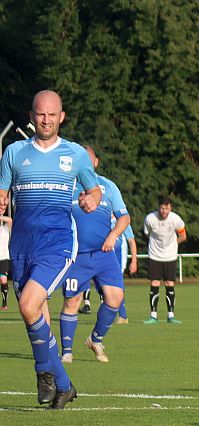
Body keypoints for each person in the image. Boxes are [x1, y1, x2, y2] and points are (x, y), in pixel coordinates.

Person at [0, 90, 104, 409]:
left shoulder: (75, 155)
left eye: (52, 114)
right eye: (40, 114)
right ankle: (64, 385)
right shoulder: (14, 153)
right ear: (31, 117)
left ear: (62, 116)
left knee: (29, 305)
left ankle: (42, 372)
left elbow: (95, 190)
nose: (46, 120)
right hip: (21, 246)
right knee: (37, 314)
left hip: (57, 244)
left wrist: (92, 200)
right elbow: (2, 193)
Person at [58, 146, 130, 363]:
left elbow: (124, 218)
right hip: (76, 256)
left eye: (89, 162)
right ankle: (67, 351)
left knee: (115, 298)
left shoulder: (108, 186)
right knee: (73, 301)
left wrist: (113, 235)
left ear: (96, 163)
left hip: (104, 255)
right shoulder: (67, 186)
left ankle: (95, 339)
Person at [142, 195, 185, 324]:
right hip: (155, 255)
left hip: (170, 256)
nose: (164, 211)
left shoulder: (176, 219)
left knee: (169, 284)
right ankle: (153, 316)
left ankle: (170, 315)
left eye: (167, 208)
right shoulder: (150, 219)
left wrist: (172, 245)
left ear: (170, 208)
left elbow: (183, 235)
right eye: (162, 208)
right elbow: (146, 234)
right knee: (154, 283)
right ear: (158, 208)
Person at [0, 213, 10, 310]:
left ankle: (4, 303)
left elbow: (10, 220)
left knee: (3, 280)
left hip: (4, 258)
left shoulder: (5, 228)